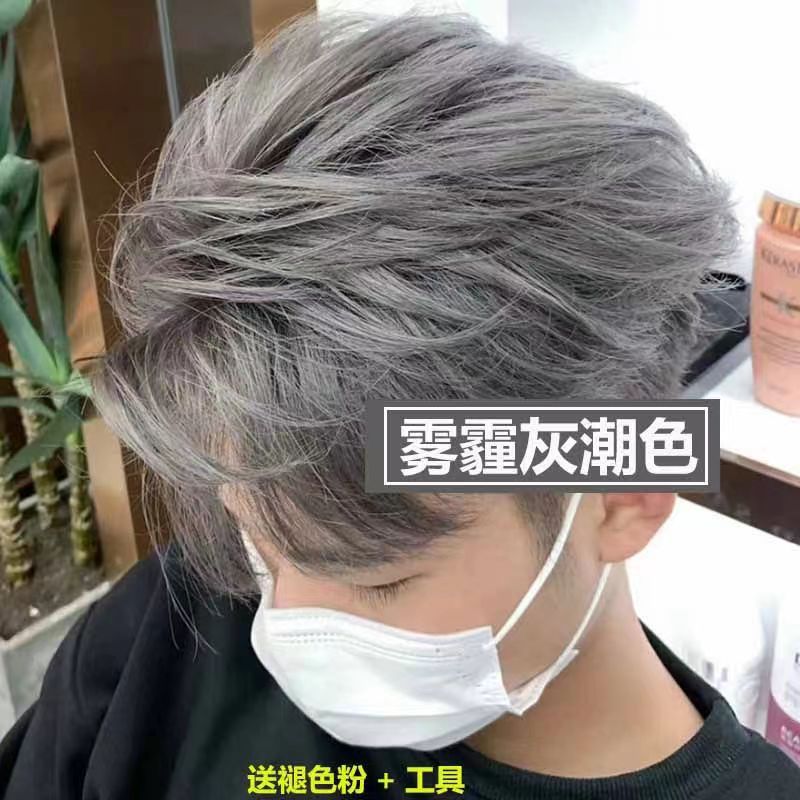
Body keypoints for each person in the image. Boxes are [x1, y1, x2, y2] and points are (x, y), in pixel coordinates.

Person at [2, 9, 799, 799]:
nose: (285, 623)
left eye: (380, 580)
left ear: (624, 488)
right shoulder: (175, 636)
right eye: (259, 543)